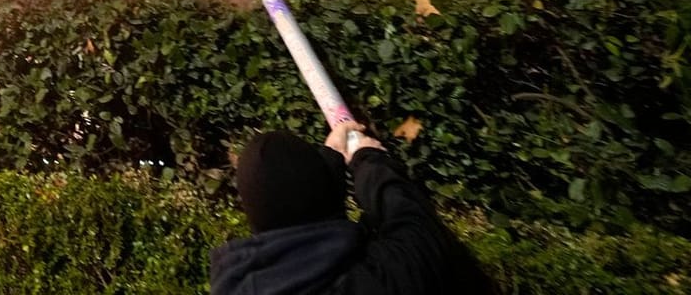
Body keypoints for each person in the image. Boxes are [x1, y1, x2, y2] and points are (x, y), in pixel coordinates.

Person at [210, 122, 491, 295]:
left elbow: (303, 205)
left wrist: (331, 157)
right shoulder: (381, 279)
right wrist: (369, 160)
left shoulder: (235, 282)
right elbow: (412, 221)